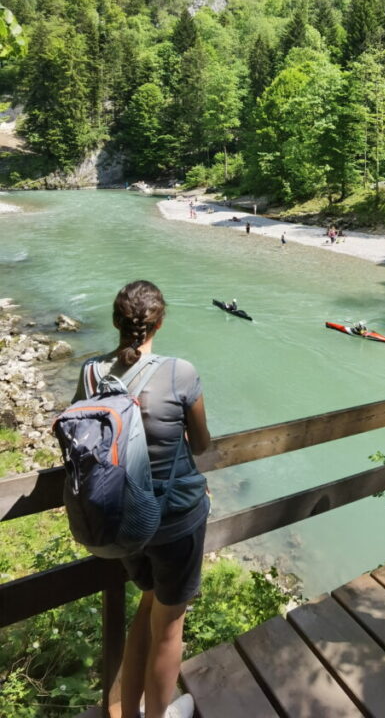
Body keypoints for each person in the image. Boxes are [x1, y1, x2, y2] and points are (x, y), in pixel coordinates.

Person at [73, 281, 210, 718]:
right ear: (160, 321)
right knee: (170, 626)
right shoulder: (180, 372)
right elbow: (202, 443)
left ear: (116, 322)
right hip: (174, 519)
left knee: (147, 604)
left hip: (123, 523)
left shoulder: (91, 373)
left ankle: (128, 713)